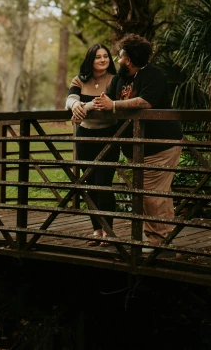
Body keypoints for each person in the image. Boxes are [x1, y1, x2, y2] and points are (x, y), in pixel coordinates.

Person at [93, 34, 183, 248]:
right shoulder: (120, 78)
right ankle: (159, 239)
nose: (117, 60)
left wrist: (114, 106)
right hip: (137, 148)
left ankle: (159, 244)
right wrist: (80, 107)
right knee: (152, 195)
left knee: (152, 195)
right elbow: (106, 99)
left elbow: (146, 102)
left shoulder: (154, 75)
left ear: (129, 59)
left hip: (160, 144)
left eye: (120, 56)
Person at [65, 43, 119, 246]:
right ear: (91, 59)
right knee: (89, 184)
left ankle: (108, 230)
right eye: (98, 57)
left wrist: (83, 107)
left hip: (109, 135)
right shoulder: (80, 79)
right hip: (85, 135)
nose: (103, 60)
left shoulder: (115, 79)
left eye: (106, 56)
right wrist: (76, 105)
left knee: (104, 183)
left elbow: (101, 103)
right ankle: (96, 229)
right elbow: (69, 99)